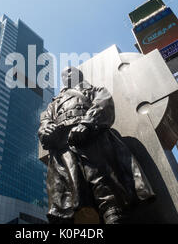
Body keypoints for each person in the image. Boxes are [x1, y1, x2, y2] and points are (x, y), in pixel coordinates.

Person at [38, 66, 154, 224]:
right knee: (71, 187)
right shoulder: (54, 104)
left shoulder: (95, 90)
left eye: (71, 71)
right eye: (64, 74)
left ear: (80, 74)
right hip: (63, 146)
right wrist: (46, 130)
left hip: (91, 137)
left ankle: (113, 213)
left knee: (100, 176)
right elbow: (45, 122)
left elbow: (103, 104)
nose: (68, 75)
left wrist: (86, 124)